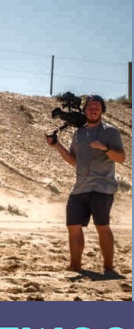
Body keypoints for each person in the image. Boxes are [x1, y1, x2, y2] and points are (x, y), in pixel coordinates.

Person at [46, 95, 125, 273]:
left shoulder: (110, 132)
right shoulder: (79, 133)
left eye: (97, 107)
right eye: (90, 107)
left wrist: (104, 148)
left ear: (102, 110)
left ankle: (109, 267)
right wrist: (57, 145)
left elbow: (121, 158)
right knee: (72, 226)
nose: (93, 110)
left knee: (102, 227)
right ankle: (75, 266)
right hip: (80, 187)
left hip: (102, 187)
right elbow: (75, 161)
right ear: (84, 110)